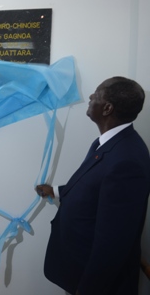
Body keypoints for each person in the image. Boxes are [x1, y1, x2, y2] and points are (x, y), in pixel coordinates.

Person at [35, 77, 150, 295]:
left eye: (96, 94)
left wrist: (88, 289)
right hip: (80, 272)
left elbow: (113, 241)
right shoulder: (109, 144)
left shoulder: (127, 160)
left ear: (107, 108)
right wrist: (58, 192)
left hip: (97, 285)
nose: (90, 97)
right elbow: (96, 186)